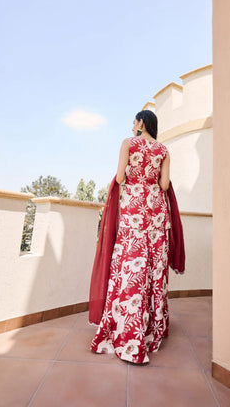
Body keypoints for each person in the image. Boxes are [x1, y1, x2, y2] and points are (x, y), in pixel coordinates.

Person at [89, 110, 184, 364]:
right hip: (156, 217)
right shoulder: (163, 150)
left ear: (141, 123)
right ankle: (152, 333)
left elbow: (120, 177)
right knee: (154, 272)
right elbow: (164, 186)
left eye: (134, 122)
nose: (132, 126)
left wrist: (132, 176)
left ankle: (128, 333)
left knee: (129, 271)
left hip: (133, 217)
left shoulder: (128, 144)